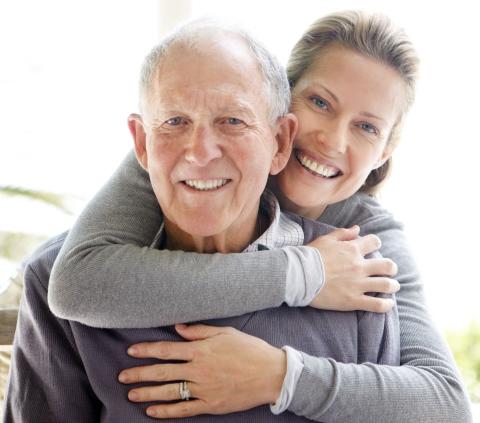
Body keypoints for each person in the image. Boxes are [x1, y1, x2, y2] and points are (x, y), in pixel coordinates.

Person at [45, 10, 473, 422]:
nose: (331, 139)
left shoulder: (369, 244)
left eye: (367, 127)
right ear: (282, 103)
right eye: (321, 102)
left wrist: (280, 377)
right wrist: (305, 274)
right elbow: (76, 282)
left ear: (384, 152)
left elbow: (444, 404)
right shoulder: (193, 151)